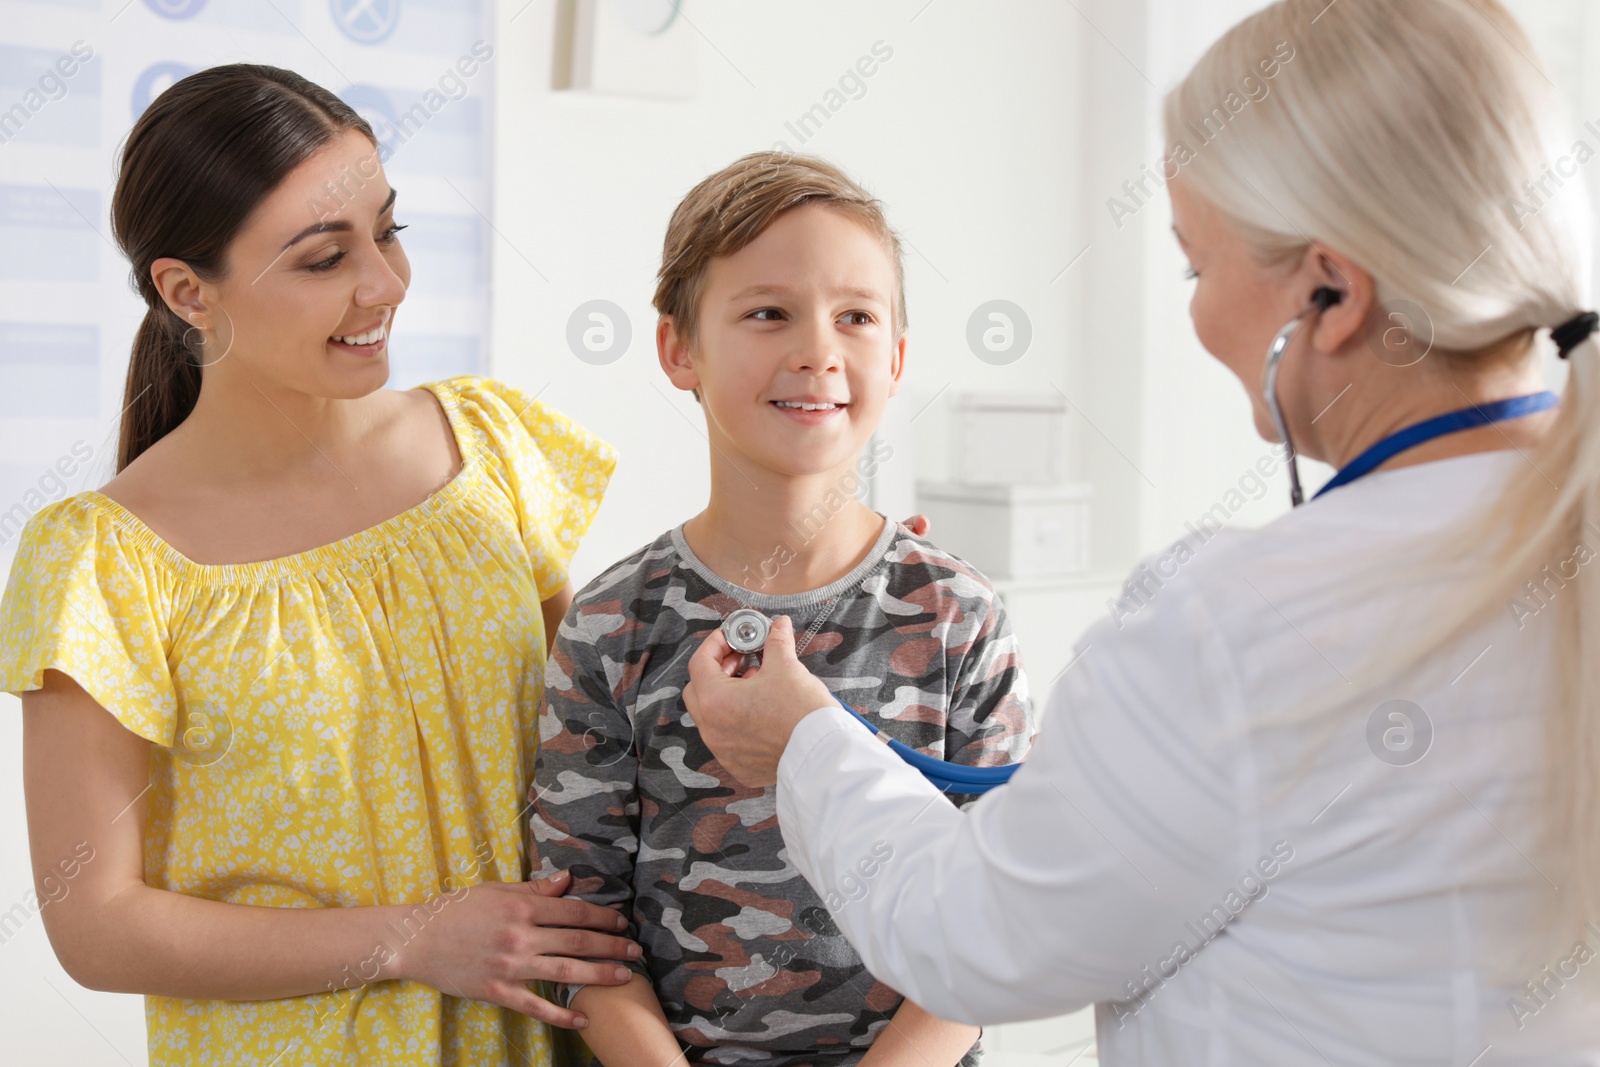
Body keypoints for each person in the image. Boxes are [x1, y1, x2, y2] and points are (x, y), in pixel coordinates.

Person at [680, 1, 1600, 1063]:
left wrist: (800, 742)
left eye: (1195, 267)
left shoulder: (1233, 622)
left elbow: (976, 938)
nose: (1199, 311)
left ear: (1331, 292)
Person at [0, 64, 639, 1066]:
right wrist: (413, 936)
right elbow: (95, 921)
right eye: (321, 258)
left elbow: (600, 750)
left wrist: (831, 593)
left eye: (389, 230)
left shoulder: (494, 449)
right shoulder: (104, 558)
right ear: (185, 290)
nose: (382, 284)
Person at [526, 152, 1034, 1066]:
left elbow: (1001, 917)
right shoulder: (611, 626)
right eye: (768, 313)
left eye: (857, 317)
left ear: (899, 357)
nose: (818, 351)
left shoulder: (958, 615)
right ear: (679, 348)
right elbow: (581, 928)